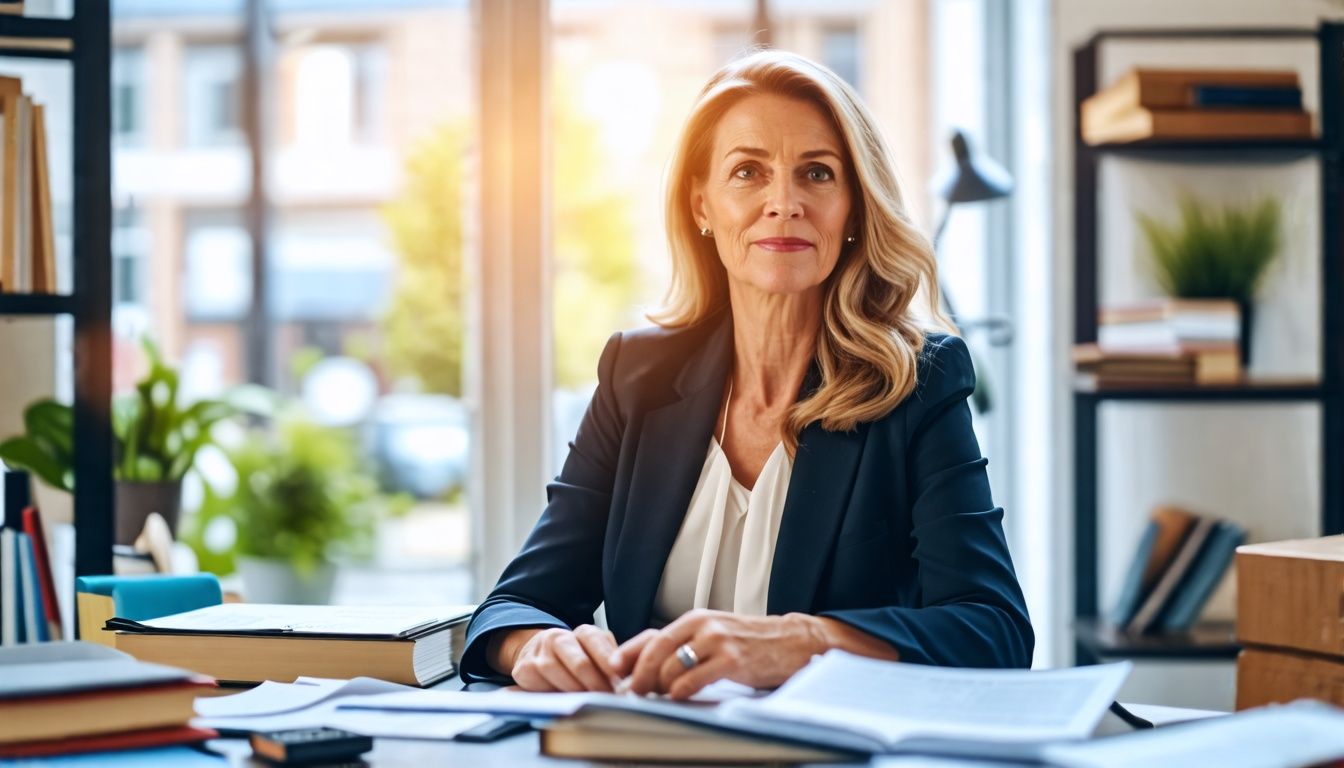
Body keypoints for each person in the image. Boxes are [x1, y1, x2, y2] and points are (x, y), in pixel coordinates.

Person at [457, 49, 1033, 699]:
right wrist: (540, 647)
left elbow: (994, 631)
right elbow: (514, 607)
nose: (783, 202)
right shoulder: (638, 376)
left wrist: (806, 643)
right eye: (748, 172)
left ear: (853, 208)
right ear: (702, 205)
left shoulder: (916, 384)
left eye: (816, 173)